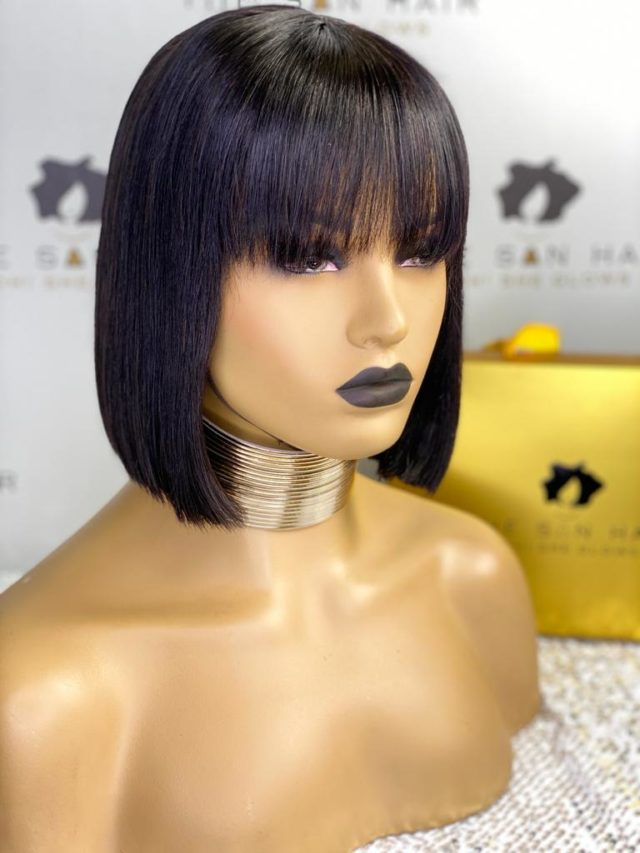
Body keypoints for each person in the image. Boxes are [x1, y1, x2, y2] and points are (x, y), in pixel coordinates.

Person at [0, 4, 540, 851]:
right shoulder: (41, 693)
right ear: (172, 268)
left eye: (419, 249)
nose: (387, 319)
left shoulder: (472, 576)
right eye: (309, 256)